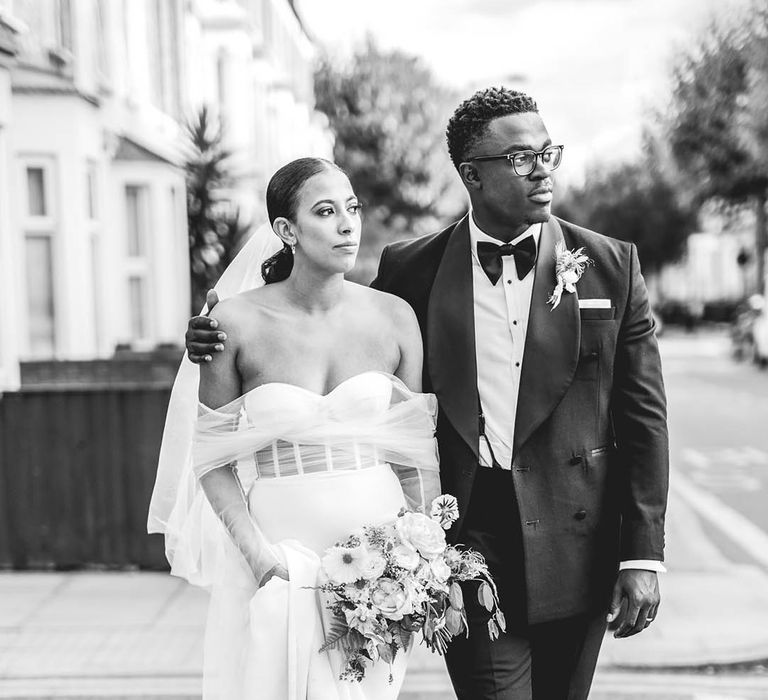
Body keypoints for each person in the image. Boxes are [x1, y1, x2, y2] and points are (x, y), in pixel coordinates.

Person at [184, 88, 669, 700]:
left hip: (578, 538)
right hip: (469, 534)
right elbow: (327, 315)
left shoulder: (609, 266)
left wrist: (641, 555)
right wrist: (214, 329)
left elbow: (644, 418)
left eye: (548, 152)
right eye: (521, 157)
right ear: (472, 175)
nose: (542, 168)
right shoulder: (411, 271)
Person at [148, 157, 441, 699]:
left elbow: (415, 454)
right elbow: (211, 457)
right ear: (286, 230)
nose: (347, 224)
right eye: (326, 212)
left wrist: (420, 556)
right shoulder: (232, 324)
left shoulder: (396, 318)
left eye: (351, 209)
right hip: (275, 555)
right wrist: (258, 556)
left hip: (379, 563)